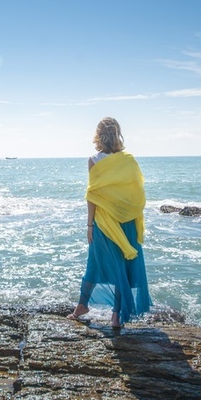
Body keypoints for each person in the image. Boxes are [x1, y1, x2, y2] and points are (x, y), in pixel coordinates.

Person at [67, 117, 152, 328]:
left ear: (98, 136)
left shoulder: (94, 160)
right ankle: (116, 315)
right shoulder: (129, 160)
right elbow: (137, 192)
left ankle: (82, 306)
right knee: (121, 267)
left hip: (104, 223)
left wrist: (89, 225)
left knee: (94, 264)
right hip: (126, 221)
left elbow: (93, 195)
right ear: (117, 134)